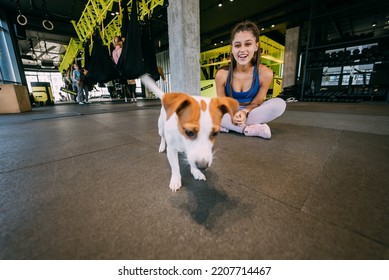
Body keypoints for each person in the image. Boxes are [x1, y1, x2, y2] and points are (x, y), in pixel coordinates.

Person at [215, 20, 286, 139]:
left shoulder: (266, 73)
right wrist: (233, 114)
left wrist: (244, 112)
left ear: (256, 46)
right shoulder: (222, 74)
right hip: (229, 113)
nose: (242, 50)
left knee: (279, 104)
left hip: (251, 113)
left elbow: (256, 103)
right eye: (237, 45)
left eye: (247, 44)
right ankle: (248, 129)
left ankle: (228, 126)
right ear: (232, 48)